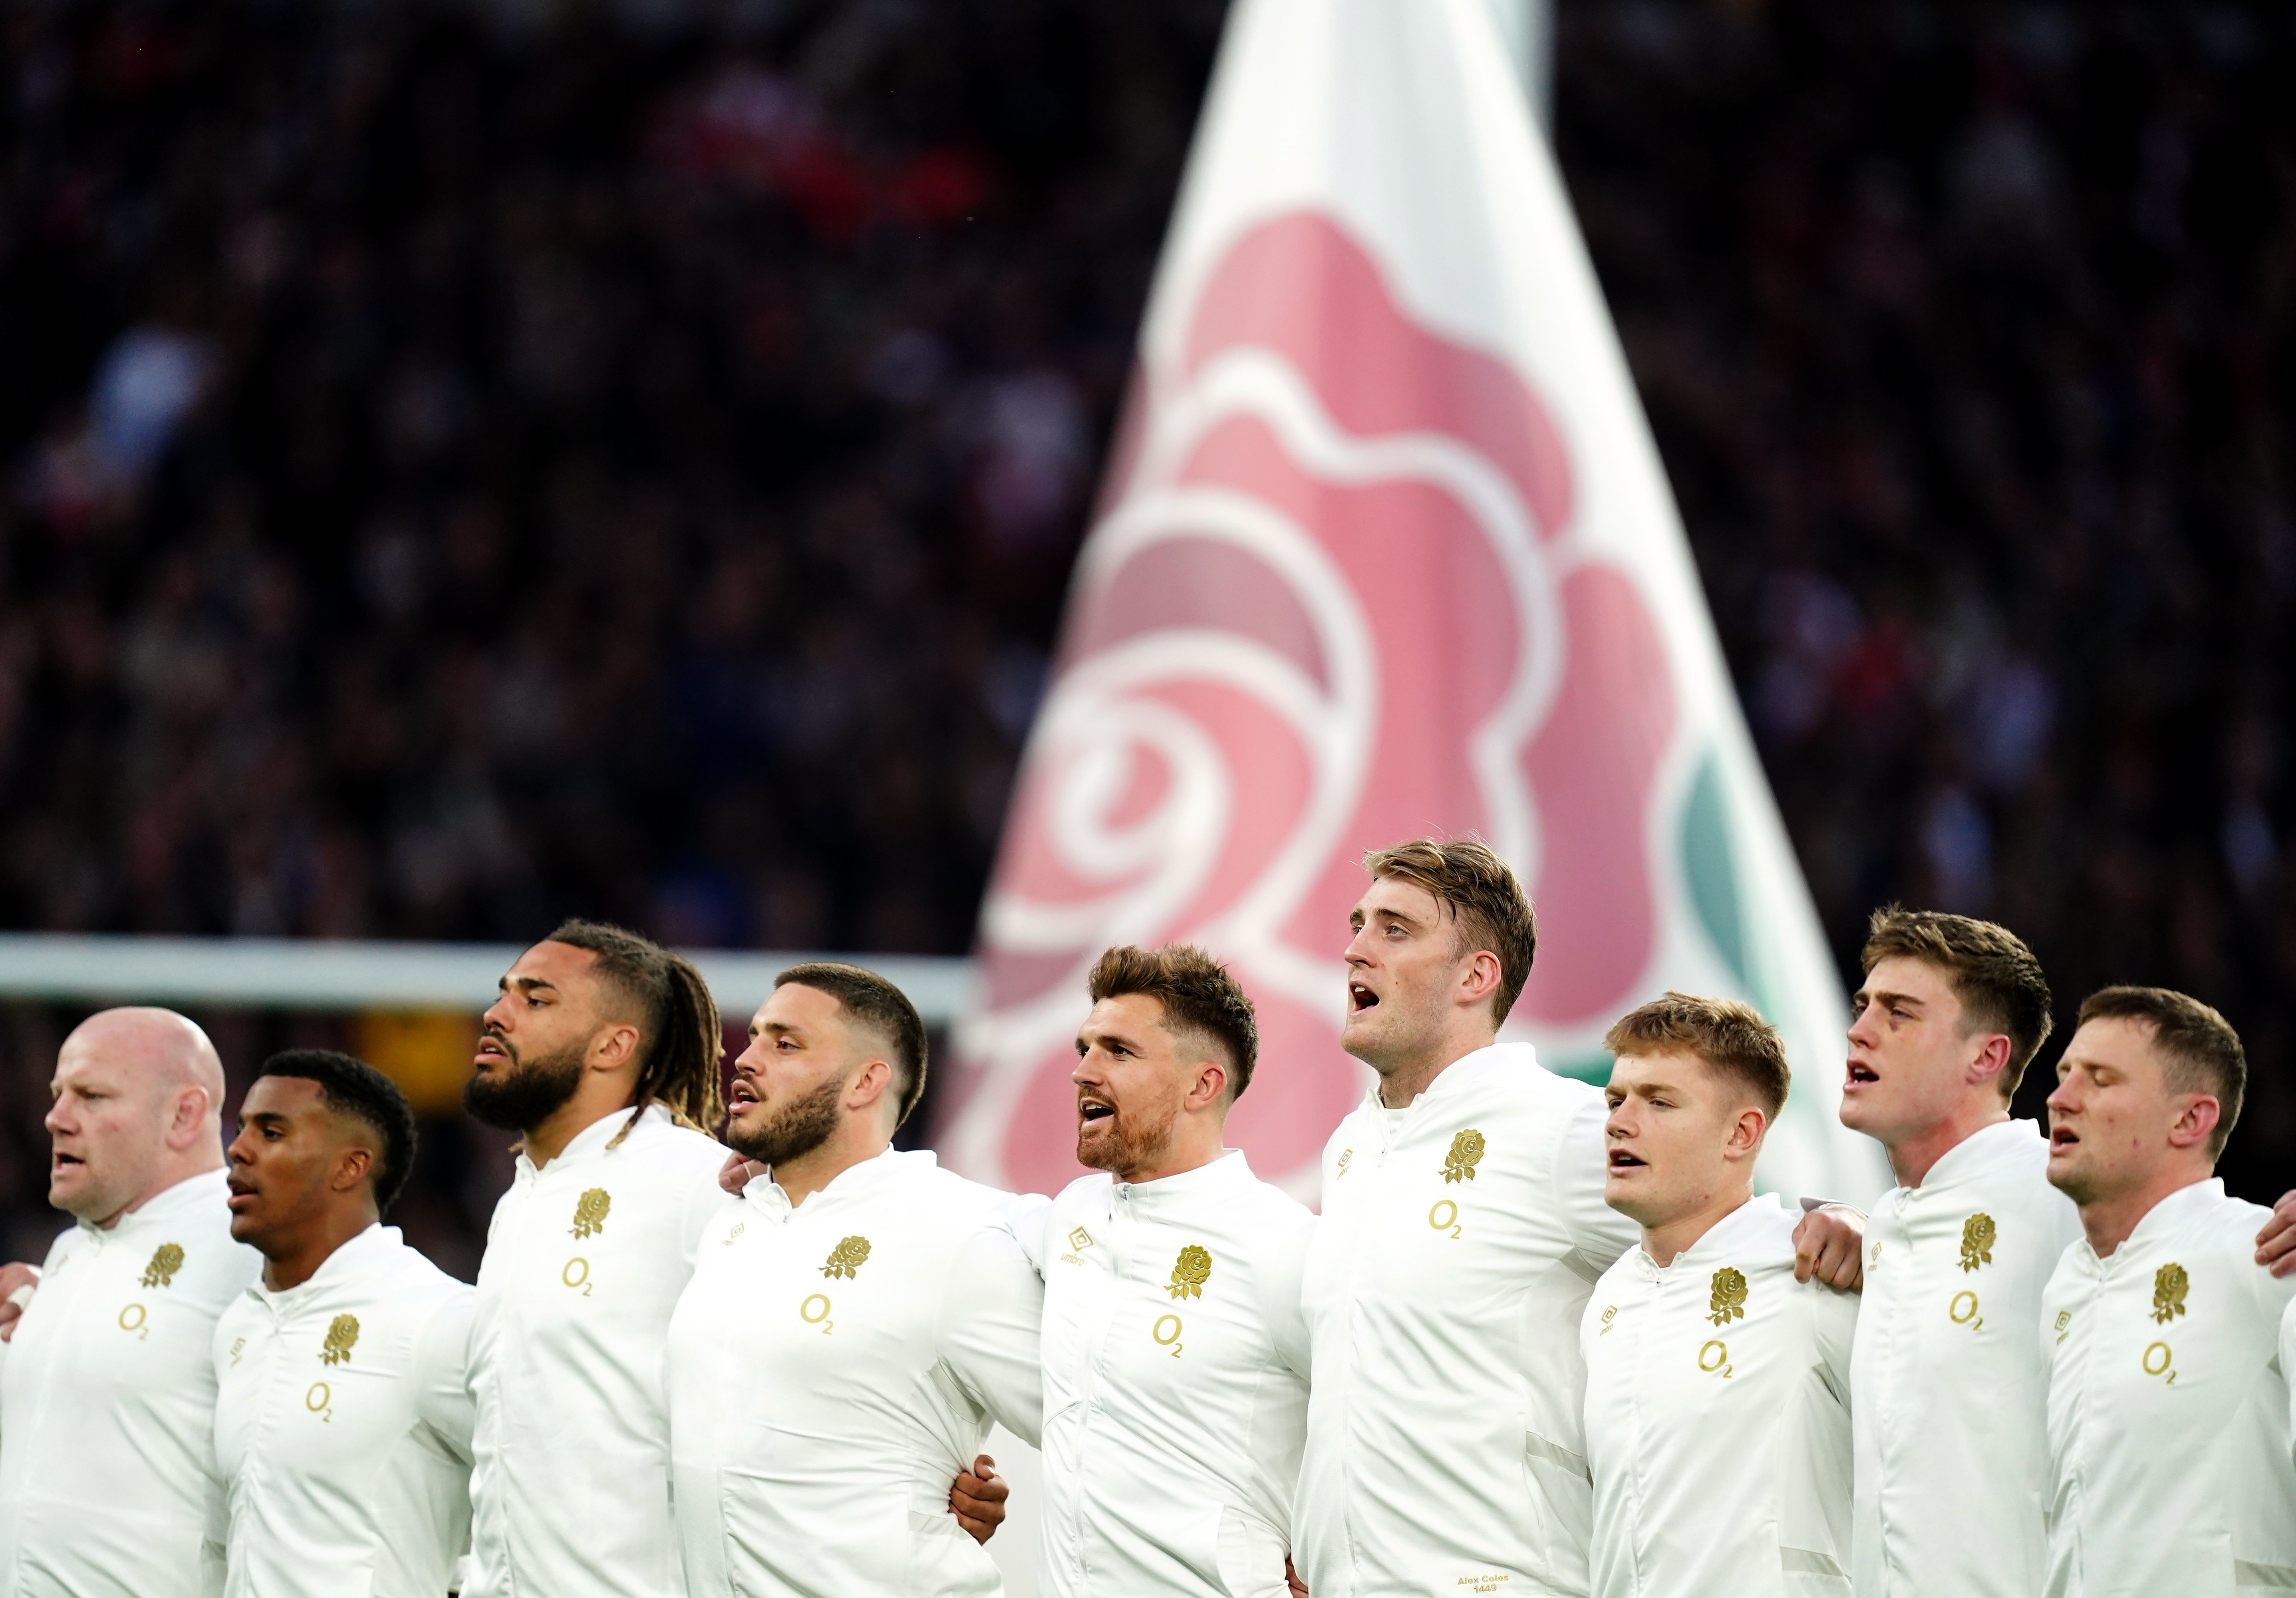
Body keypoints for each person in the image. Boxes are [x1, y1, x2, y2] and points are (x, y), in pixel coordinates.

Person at [1292, 838, 1865, 1598]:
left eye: (1395, 929)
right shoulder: (1352, 1148)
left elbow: (1724, 1218)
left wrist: (1850, 1225)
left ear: (1477, 975)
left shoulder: (1558, 1127)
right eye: (1359, 924)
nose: (1356, 948)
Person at [667, 963, 1043, 1598]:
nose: (748, 1058)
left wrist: (1257, 1548)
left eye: (785, 1044)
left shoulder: (958, 1235)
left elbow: (1102, 1424)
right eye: (755, 1037)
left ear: (867, 1081)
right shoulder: (732, 1220)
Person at [458, 920, 734, 1598]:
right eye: (503, 994)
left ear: (614, 1044)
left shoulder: (699, 1183)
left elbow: (812, 1360)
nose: (497, 1014)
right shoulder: (521, 1200)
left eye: (536, 999)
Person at [1037, 945, 1314, 1598]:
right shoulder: (1068, 1217)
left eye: (1119, 1051)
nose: (1083, 1071)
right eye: (1084, 1048)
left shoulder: (1280, 1243)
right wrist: (768, 1167)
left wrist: (1331, 1551)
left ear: (1203, 1085)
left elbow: (1377, 1416)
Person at [1581, 994, 1857, 1598]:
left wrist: (1881, 1246)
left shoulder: (1815, 1269)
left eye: (1659, 1101)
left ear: (1741, 1132)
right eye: (1615, 1099)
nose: (1619, 1121)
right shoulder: (1609, 1298)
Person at [1837, 908, 2077, 1598]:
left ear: (1987, 1057)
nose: (1860, 1029)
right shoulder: (1886, 1224)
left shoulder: (2059, 1193)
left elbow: (2205, 1240)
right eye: (1863, 1005)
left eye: (1900, 1012)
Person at [2039, 986, 2296, 1597]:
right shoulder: (2066, 1284)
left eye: (2100, 1080)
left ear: (2190, 1120)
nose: (2059, 1098)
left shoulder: (2263, 1252)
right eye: (2064, 1073)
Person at [0, 1008, 259, 1598]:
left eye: (91, 1096)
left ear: (184, 1115)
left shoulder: (253, 1252)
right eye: (58, 1094)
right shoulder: (68, 1256)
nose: (56, 1118)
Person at [213, 1050, 473, 1598]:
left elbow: (546, 1484)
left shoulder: (433, 1316)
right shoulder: (240, 1327)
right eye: (241, 1129)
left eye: (272, 1132)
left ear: (350, 1167)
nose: (237, 1149)